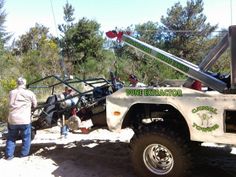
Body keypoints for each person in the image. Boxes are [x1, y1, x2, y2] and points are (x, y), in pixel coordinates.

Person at [5, 77, 37, 160]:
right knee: (26, 138)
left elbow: (9, 104)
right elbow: (35, 105)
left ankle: (9, 156)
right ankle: (23, 155)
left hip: (12, 119)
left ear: (17, 83)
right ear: (25, 84)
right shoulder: (30, 93)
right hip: (24, 119)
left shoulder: (11, 92)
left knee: (11, 137)